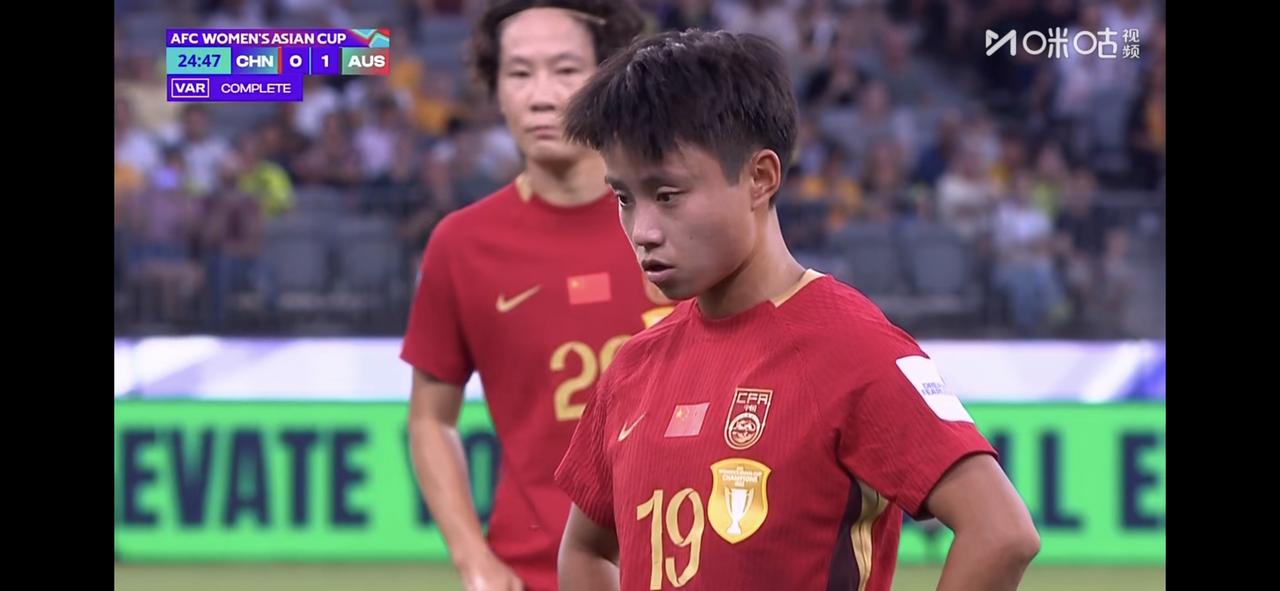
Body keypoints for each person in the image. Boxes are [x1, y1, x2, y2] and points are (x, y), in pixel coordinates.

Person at [555, 30, 1039, 590]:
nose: (642, 230)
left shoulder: (852, 348)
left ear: (760, 178)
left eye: (667, 196)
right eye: (624, 198)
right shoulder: (632, 368)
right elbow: (585, 550)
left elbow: (1001, 533)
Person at [400, 2, 664, 590]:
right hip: (536, 574)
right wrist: (474, 560)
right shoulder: (463, 245)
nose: (542, 96)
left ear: (607, 78)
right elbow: (430, 419)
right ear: (495, 89)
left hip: (686, 566)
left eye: (565, 70)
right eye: (519, 73)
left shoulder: (678, 218)